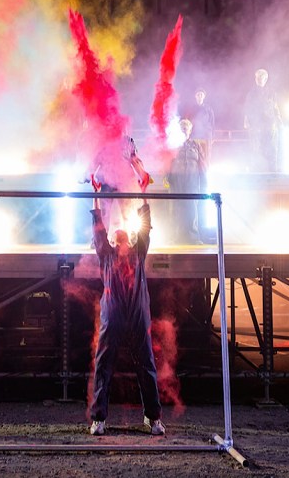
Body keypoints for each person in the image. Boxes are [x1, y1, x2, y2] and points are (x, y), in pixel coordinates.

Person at [88, 177, 165, 437]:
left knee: (146, 365)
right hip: (114, 316)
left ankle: (153, 418)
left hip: (136, 316)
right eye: (114, 235)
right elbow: (98, 227)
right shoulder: (107, 256)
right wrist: (96, 195)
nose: (118, 235)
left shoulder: (138, 253)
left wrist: (143, 191)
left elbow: (145, 223)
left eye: (122, 235)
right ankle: (99, 419)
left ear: (128, 240)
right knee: (104, 365)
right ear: (113, 241)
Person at [166, 118, 206, 244]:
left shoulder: (196, 145)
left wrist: (204, 180)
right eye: (182, 128)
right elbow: (167, 162)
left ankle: (193, 236)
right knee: (176, 207)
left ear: (190, 131)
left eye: (186, 128)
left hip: (192, 180)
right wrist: (167, 178)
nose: (184, 131)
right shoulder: (173, 145)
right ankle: (175, 236)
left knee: (192, 207)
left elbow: (202, 164)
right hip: (176, 180)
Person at [243, 68, 280, 172]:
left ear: (265, 79)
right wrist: (246, 121)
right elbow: (247, 107)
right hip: (256, 125)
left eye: (261, 77)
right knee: (255, 148)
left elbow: (275, 106)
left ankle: (273, 171)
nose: (258, 79)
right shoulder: (251, 93)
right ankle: (256, 171)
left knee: (271, 147)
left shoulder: (271, 92)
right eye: (257, 77)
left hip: (269, 124)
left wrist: (279, 120)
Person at [186, 88, 214, 162]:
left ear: (204, 96)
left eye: (201, 94)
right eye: (198, 94)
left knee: (206, 155)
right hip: (194, 135)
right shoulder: (191, 109)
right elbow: (188, 122)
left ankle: (205, 171)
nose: (200, 96)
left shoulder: (208, 109)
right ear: (195, 96)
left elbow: (212, 123)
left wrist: (212, 136)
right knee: (194, 155)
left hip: (206, 136)